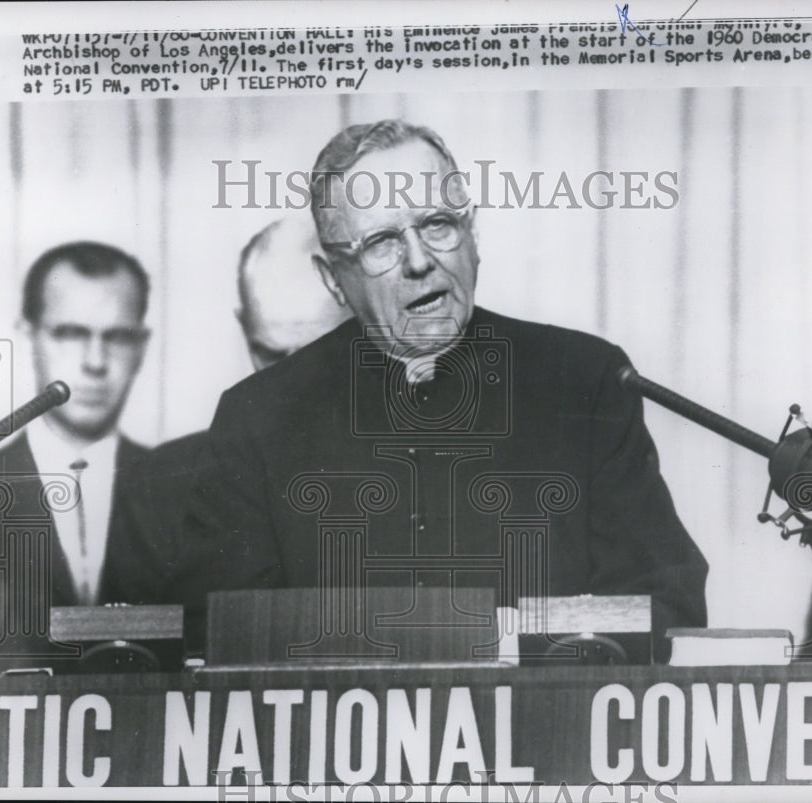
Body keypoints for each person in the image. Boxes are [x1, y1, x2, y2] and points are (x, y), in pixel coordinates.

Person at [167, 120, 709, 661]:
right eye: (381, 242)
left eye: (437, 225)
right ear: (334, 279)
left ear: (472, 235)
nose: (420, 261)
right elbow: (211, 639)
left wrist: (505, 648)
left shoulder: (585, 380)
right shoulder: (258, 417)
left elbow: (664, 602)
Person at [106, 216, 352, 605]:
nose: (285, 386)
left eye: (313, 359)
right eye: (269, 353)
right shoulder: (157, 489)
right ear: (243, 327)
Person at [0, 241, 151, 668]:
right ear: (29, 336)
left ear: (142, 347)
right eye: (70, 333)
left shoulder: (184, 485)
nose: (95, 362)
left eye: (117, 337)